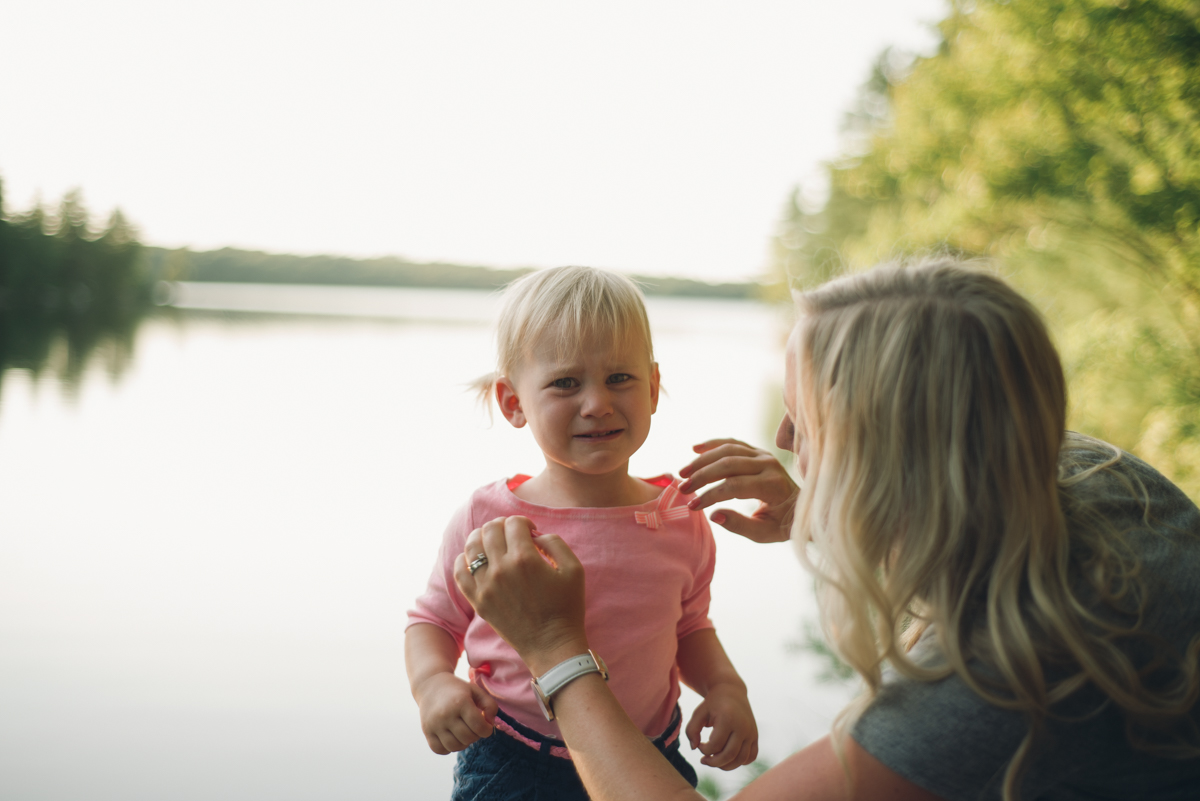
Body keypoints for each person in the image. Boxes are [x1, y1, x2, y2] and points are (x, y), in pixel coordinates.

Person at [453, 259, 1200, 801]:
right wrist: (826, 512)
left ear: (889, 445)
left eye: (807, 418)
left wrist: (554, 650)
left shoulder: (996, 678)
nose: (781, 434)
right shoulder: (1098, 474)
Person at [405, 265, 759, 800]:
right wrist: (433, 684)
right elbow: (433, 620)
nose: (597, 403)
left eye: (620, 378)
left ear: (655, 387)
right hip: (515, 759)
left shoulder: (681, 514)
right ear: (513, 403)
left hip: (646, 756)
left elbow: (689, 626)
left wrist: (725, 687)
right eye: (565, 383)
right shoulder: (490, 519)